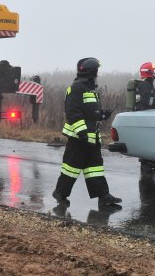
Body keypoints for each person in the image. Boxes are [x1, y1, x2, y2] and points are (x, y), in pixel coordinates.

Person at [52, 58, 122, 207]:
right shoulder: (76, 88)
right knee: (71, 168)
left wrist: (102, 114)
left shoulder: (89, 89)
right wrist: (82, 132)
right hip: (80, 138)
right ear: (91, 72)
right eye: (96, 71)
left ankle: (103, 196)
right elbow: (73, 112)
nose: (97, 74)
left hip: (91, 138)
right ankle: (60, 193)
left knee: (95, 168)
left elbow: (90, 111)